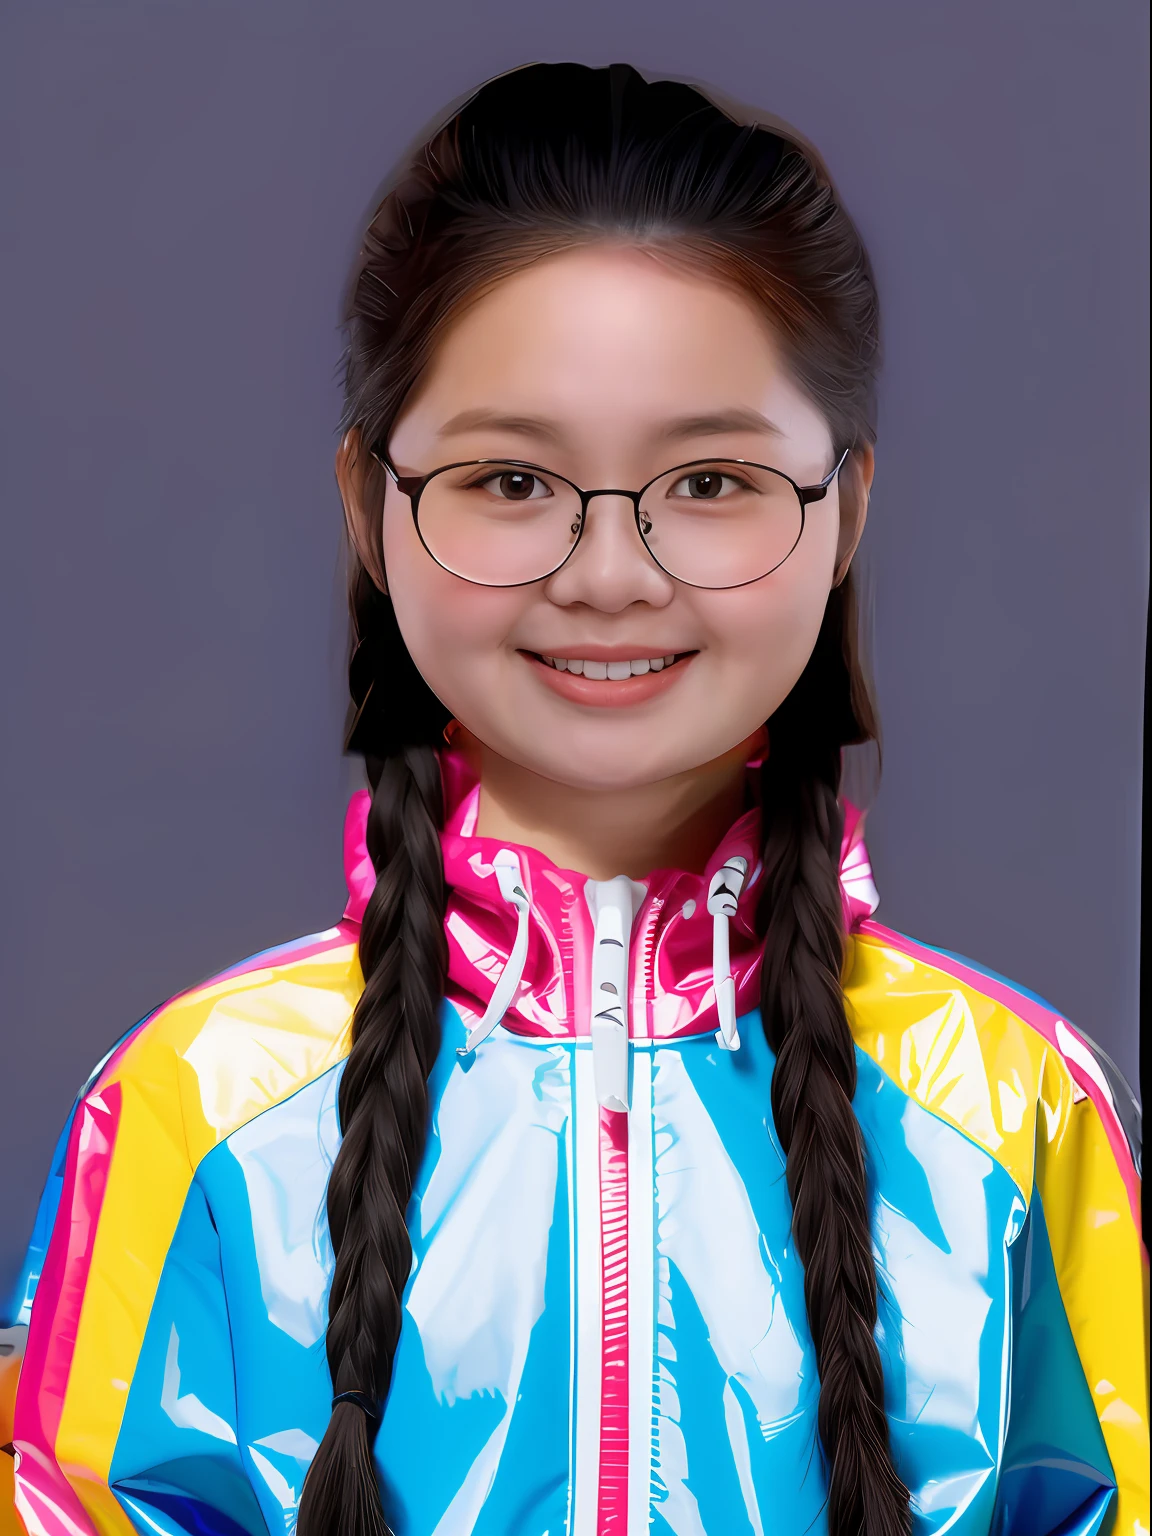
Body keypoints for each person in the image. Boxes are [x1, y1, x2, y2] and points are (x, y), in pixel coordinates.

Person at [3, 61, 1145, 1536]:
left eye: (714, 482)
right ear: (370, 502)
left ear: (847, 505)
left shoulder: (1014, 1112)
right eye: (511, 482)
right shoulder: (195, 1113)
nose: (610, 575)